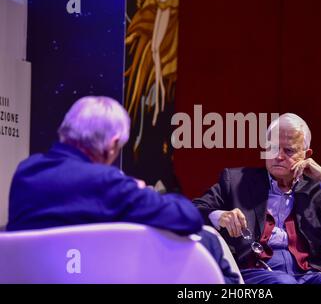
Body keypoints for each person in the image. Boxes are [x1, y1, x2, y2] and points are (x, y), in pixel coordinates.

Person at [6, 96, 239, 283]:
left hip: (30, 277)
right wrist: (141, 191)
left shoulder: (26, 171)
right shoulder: (105, 181)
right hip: (98, 276)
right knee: (207, 244)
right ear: (112, 144)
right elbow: (188, 217)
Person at [193, 113, 321, 284]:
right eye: (273, 148)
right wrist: (220, 216)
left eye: (289, 151)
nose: (278, 156)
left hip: (309, 273)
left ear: (306, 155)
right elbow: (195, 210)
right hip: (257, 273)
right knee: (282, 281)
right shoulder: (237, 181)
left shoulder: (317, 190)